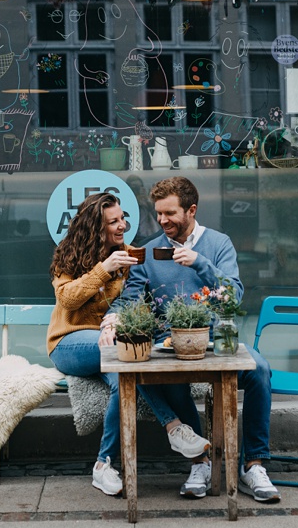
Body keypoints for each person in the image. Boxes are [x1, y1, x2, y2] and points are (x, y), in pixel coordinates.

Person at [112, 176, 281, 504]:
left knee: (260, 370)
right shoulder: (148, 251)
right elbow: (131, 299)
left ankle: (253, 465)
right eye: (158, 214)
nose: (162, 221)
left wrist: (200, 264)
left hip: (218, 341)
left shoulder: (218, 244)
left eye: (170, 213)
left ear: (191, 210)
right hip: (170, 345)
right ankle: (199, 463)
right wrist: (114, 317)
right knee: (167, 378)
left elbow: (232, 297)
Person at [46, 192, 211, 498]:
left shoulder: (132, 254)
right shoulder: (67, 254)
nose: (122, 225)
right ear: (96, 227)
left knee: (126, 378)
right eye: (113, 222)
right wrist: (104, 269)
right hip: (70, 343)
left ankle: (103, 465)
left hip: (115, 348)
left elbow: (143, 289)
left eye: (123, 218)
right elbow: (67, 298)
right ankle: (174, 427)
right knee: (124, 353)